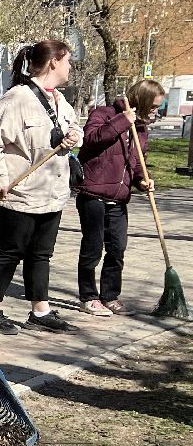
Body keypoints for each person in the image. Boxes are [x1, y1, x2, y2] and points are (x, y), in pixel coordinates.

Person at [0, 39, 83, 335]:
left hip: (52, 192)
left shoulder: (59, 100)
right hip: (18, 193)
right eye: (68, 61)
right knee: (12, 249)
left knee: (41, 253)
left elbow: (76, 129)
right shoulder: (17, 99)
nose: (70, 67)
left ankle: (40, 310)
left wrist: (74, 136)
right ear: (54, 62)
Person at [75, 78, 164, 316]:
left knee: (117, 248)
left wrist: (142, 180)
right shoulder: (103, 114)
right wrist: (123, 120)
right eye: (153, 107)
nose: (156, 112)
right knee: (92, 248)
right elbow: (92, 140)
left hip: (119, 198)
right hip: (92, 193)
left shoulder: (141, 130)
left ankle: (110, 295)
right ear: (141, 103)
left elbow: (136, 164)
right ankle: (89, 296)